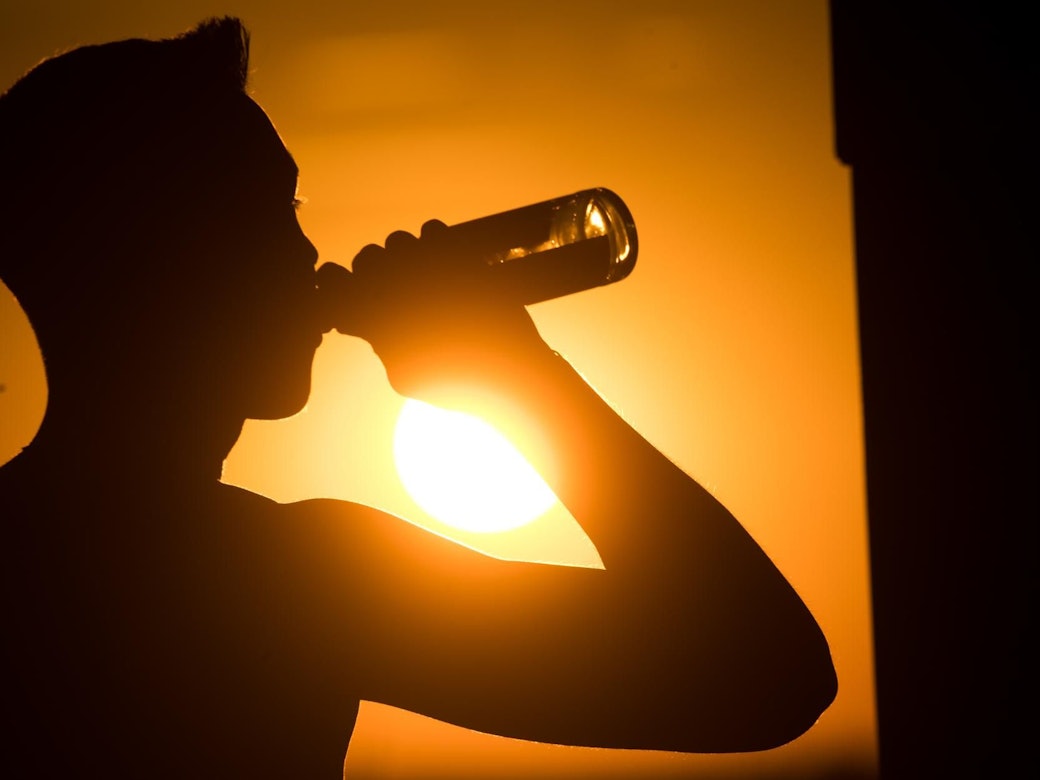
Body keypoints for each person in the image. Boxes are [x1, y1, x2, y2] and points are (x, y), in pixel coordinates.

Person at [0, 17, 836, 778]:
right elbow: (764, 676)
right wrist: (517, 377)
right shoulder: (283, 581)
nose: (309, 255)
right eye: (268, 213)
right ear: (159, 263)